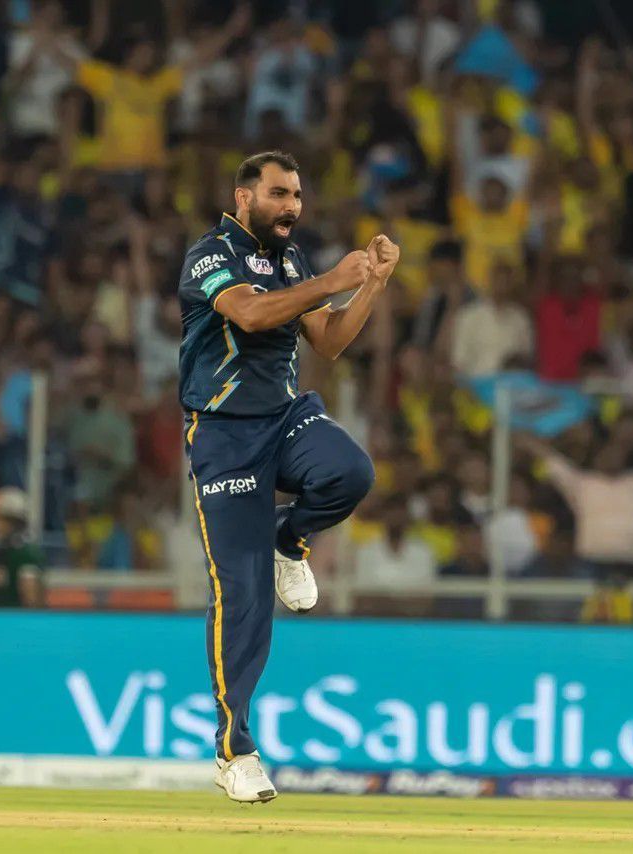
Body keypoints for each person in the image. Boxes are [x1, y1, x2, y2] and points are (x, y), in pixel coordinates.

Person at [178, 151, 395, 803]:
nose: (292, 206)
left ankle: (289, 540)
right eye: (278, 194)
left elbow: (325, 341)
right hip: (224, 435)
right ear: (244, 198)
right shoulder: (209, 255)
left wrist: (371, 285)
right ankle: (233, 750)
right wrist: (335, 276)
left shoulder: (292, 261)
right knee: (242, 594)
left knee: (349, 472)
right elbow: (248, 314)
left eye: (298, 195)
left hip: (285, 415)